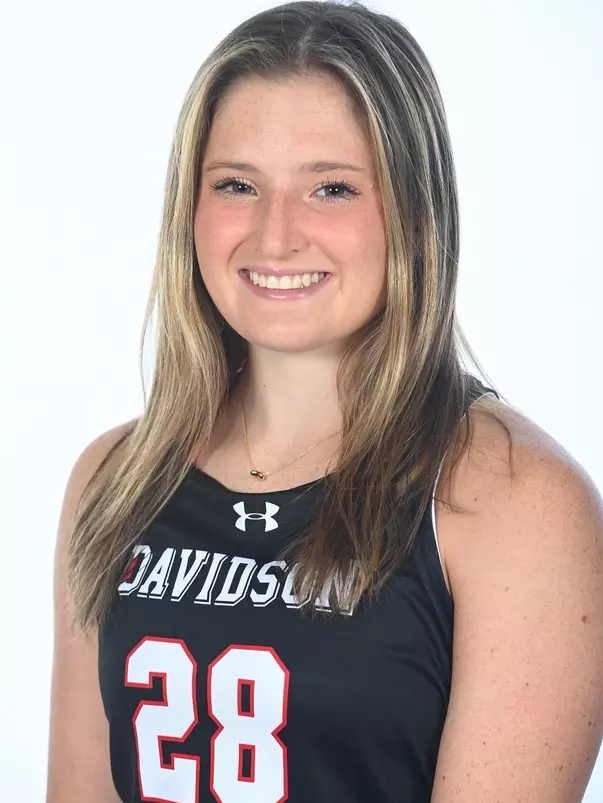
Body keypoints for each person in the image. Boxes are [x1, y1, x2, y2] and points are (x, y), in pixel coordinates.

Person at [47, 2, 603, 802]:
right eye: (237, 184)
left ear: (413, 213)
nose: (275, 237)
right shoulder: (115, 478)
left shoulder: (512, 501)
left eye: (331, 188)